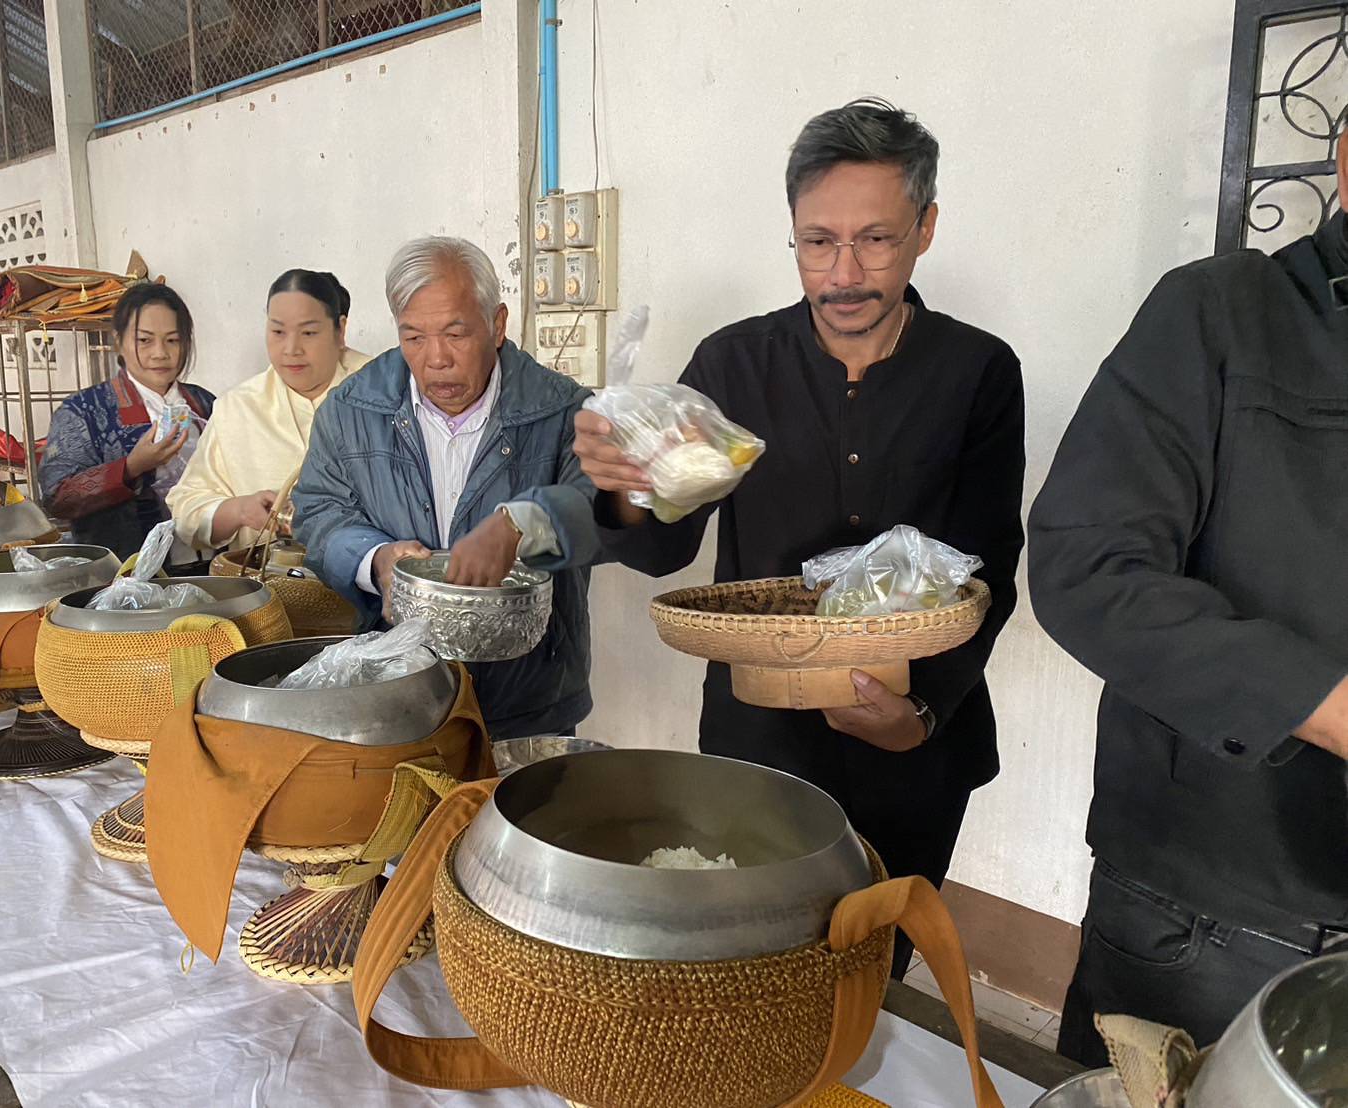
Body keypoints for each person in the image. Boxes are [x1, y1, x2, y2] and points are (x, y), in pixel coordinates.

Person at [572, 98, 1026, 978]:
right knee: (752, 961)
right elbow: (663, 549)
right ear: (790, 233)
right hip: (761, 740)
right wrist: (625, 487)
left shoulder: (976, 371)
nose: (843, 273)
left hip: (916, 741)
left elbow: (989, 568)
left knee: (871, 966)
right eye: (818, 242)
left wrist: (916, 715)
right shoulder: (733, 364)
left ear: (925, 229)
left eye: (875, 240)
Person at [1028, 139, 1348, 1065]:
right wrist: (1326, 705)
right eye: (821, 241)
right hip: (1216, 911)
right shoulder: (1222, 313)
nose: (844, 269)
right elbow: (1083, 564)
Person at [293, 236, 599, 738]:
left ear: (497, 325)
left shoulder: (563, 411)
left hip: (530, 696)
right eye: (413, 337)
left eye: (456, 334)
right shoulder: (350, 411)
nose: (436, 359)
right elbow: (319, 513)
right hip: (398, 693)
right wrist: (376, 561)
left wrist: (522, 526)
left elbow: (596, 511)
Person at [167, 270, 369, 554]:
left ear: (340, 330)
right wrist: (239, 510)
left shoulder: (380, 391)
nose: (291, 349)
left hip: (371, 586)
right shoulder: (238, 408)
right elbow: (186, 508)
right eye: (277, 332)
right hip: (271, 588)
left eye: (309, 333)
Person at [39, 283, 215, 566]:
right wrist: (131, 467)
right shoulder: (85, 410)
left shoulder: (205, 403)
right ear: (118, 341)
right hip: (125, 577)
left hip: (212, 563)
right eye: (144, 340)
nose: (160, 353)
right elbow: (57, 497)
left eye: (173, 340)